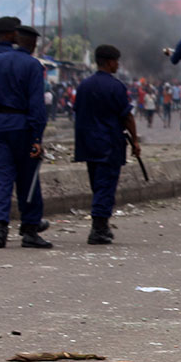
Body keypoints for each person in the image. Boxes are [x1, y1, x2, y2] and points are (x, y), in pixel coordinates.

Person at [0, 25, 51, 249]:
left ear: (17, 40)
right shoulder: (34, 66)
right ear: (34, 43)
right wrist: (37, 137)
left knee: (1, 177)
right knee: (28, 180)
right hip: (24, 128)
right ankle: (29, 230)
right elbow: (37, 104)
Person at [73, 45, 141, 245]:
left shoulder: (84, 85)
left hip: (88, 143)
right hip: (109, 143)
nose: (118, 65)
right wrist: (135, 140)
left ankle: (102, 225)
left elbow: (78, 112)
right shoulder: (116, 86)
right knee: (106, 186)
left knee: (97, 184)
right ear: (110, 61)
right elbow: (127, 116)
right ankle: (99, 228)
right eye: (117, 61)